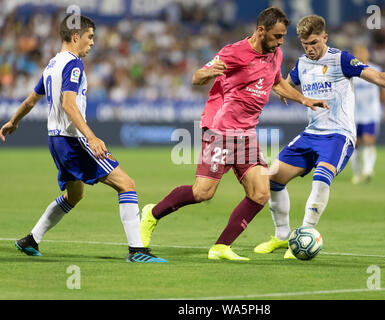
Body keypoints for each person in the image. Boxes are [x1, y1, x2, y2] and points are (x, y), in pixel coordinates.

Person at [140, 7, 329, 261]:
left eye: (283, 36)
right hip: (220, 129)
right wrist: (208, 72)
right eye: (276, 36)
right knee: (203, 193)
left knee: (260, 192)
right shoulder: (234, 52)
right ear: (261, 30)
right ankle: (152, 214)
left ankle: (220, 247)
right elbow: (197, 77)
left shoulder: (275, 53)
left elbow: (276, 82)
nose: (280, 41)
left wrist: (303, 99)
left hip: (246, 132)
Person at [254, 15, 385, 258]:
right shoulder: (302, 63)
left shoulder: (341, 59)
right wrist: (285, 93)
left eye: (313, 42)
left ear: (325, 37)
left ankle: (306, 232)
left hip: (338, 135)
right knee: (273, 178)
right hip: (311, 133)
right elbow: (286, 83)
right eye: (305, 44)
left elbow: (378, 77)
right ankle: (282, 237)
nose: (310, 49)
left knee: (321, 178)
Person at [0, 15, 166, 263]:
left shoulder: (52, 65)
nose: (92, 43)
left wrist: (14, 121)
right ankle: (137, 251)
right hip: (74, 140)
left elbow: (31, 100)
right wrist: (92, 137)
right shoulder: (73, 64)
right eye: (90, 37)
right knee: (127, 184)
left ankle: (30, 240)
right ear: (76, 36)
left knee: (74, 195)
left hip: (55, 141)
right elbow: (69, 104)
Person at [350, 44, 385, 184]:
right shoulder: (350, 71)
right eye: (358, 53)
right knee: (355, 144)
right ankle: (357, 173)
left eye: (363, 52)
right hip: (354, 114)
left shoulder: (376, 70)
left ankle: (368, 170)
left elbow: (383, 91)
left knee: (368, 140)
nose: (361, 55)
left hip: (371, 113)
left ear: (367, 54)